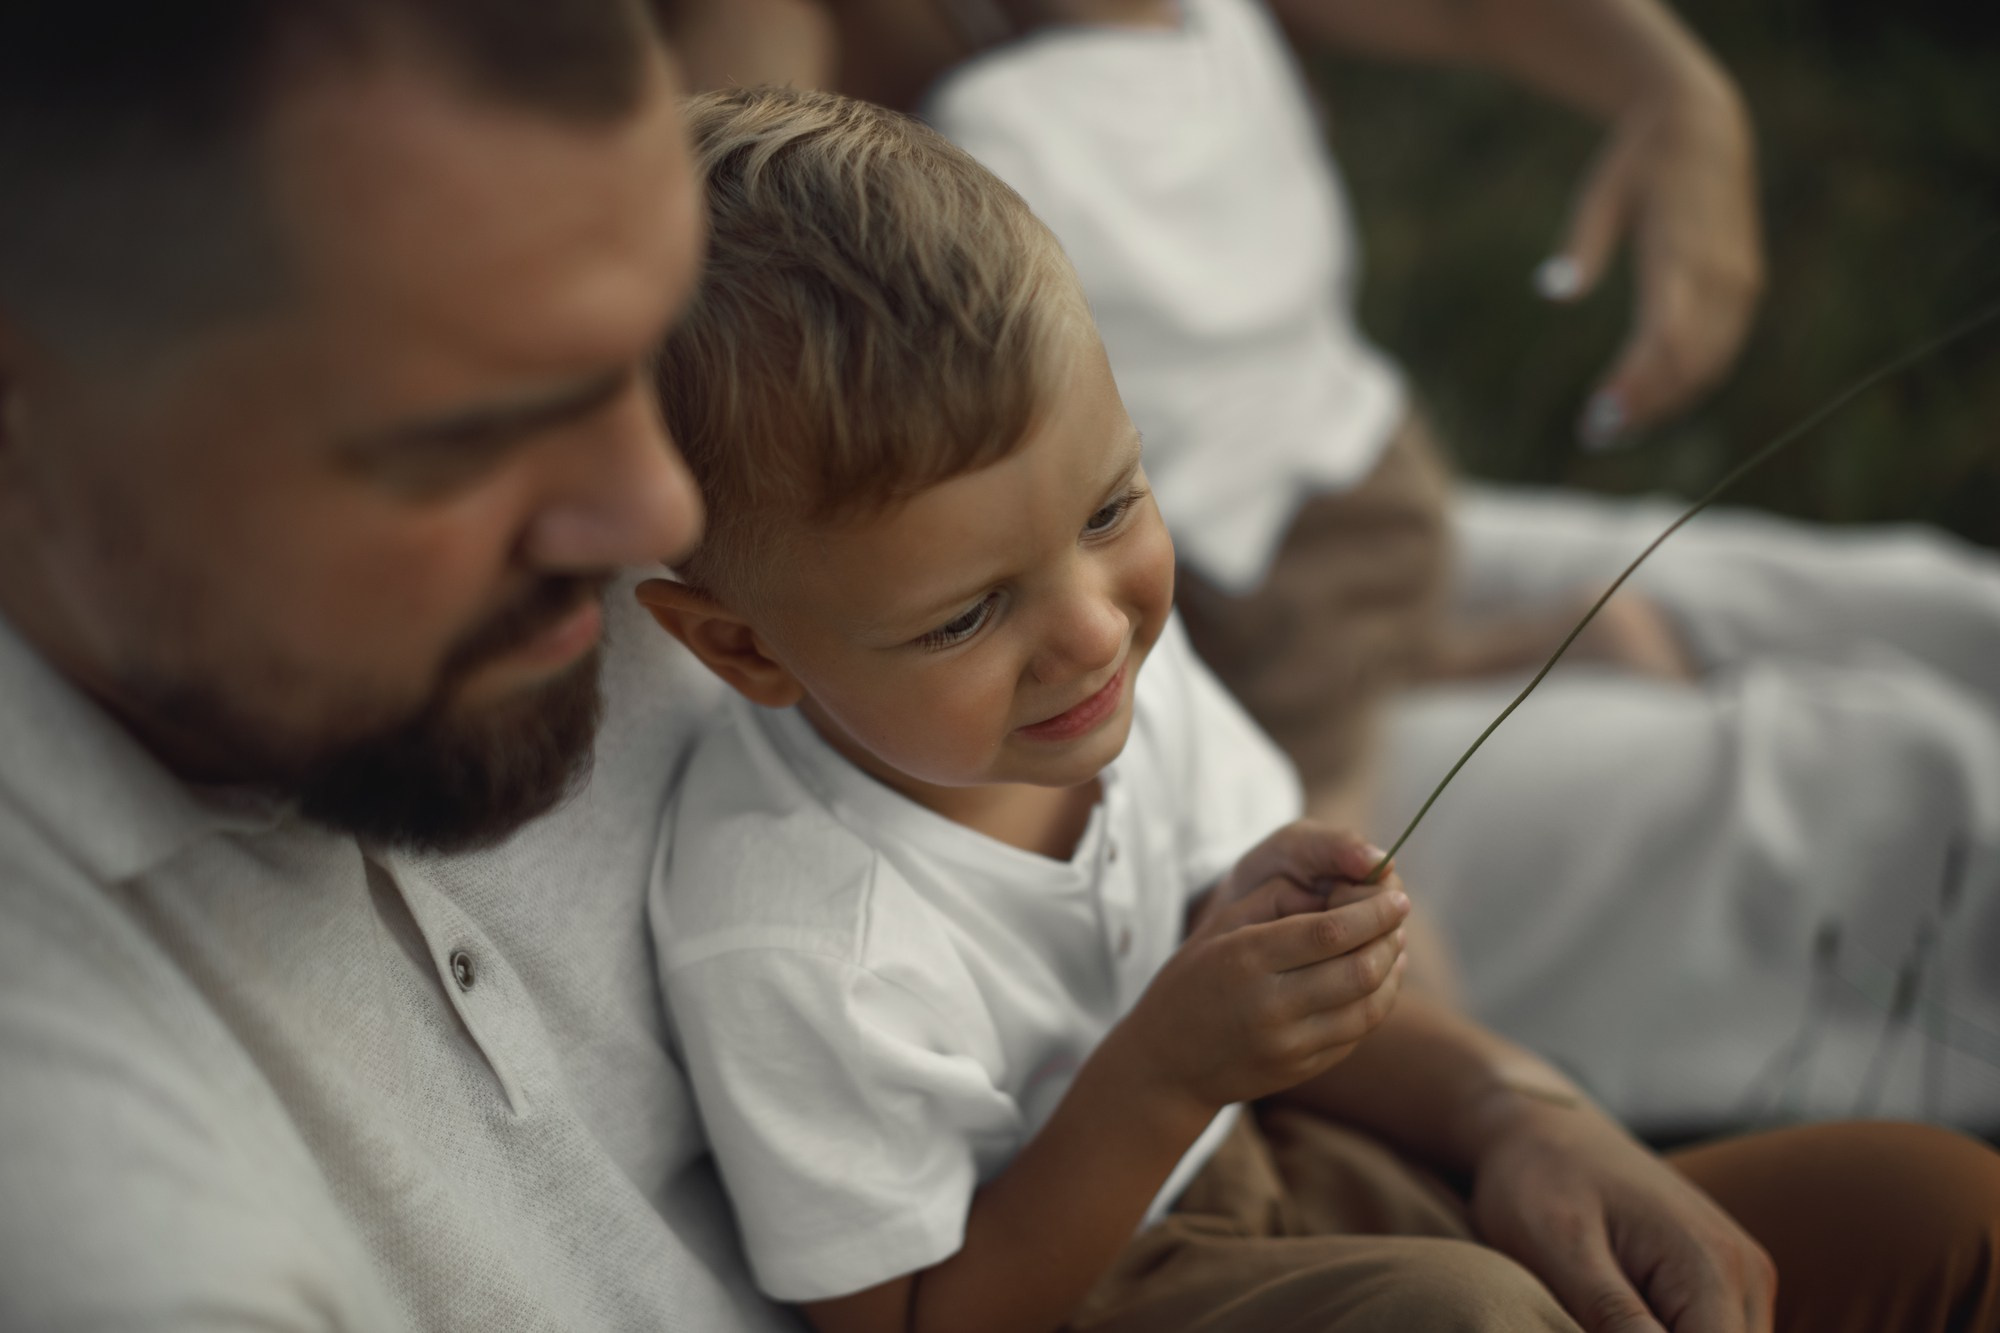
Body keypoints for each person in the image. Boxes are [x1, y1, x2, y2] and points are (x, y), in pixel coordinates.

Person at [635, 85, 2000, 1333]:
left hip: (1310, 1174)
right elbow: (919, 1323)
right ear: (742, 648)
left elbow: (1301, 1032)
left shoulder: (1109, 691)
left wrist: (1523, 1112)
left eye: (1111, 506)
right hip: (1108, 1293)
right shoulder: (788, 932)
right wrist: (1164, 1074)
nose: (1095, 631)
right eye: (965, 613)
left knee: (1933, 1208)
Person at [0, 3, 787, 1327]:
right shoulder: (99, 1222)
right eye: (473, 437)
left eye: (653, 339)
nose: (660, 511)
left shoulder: (612, 499)